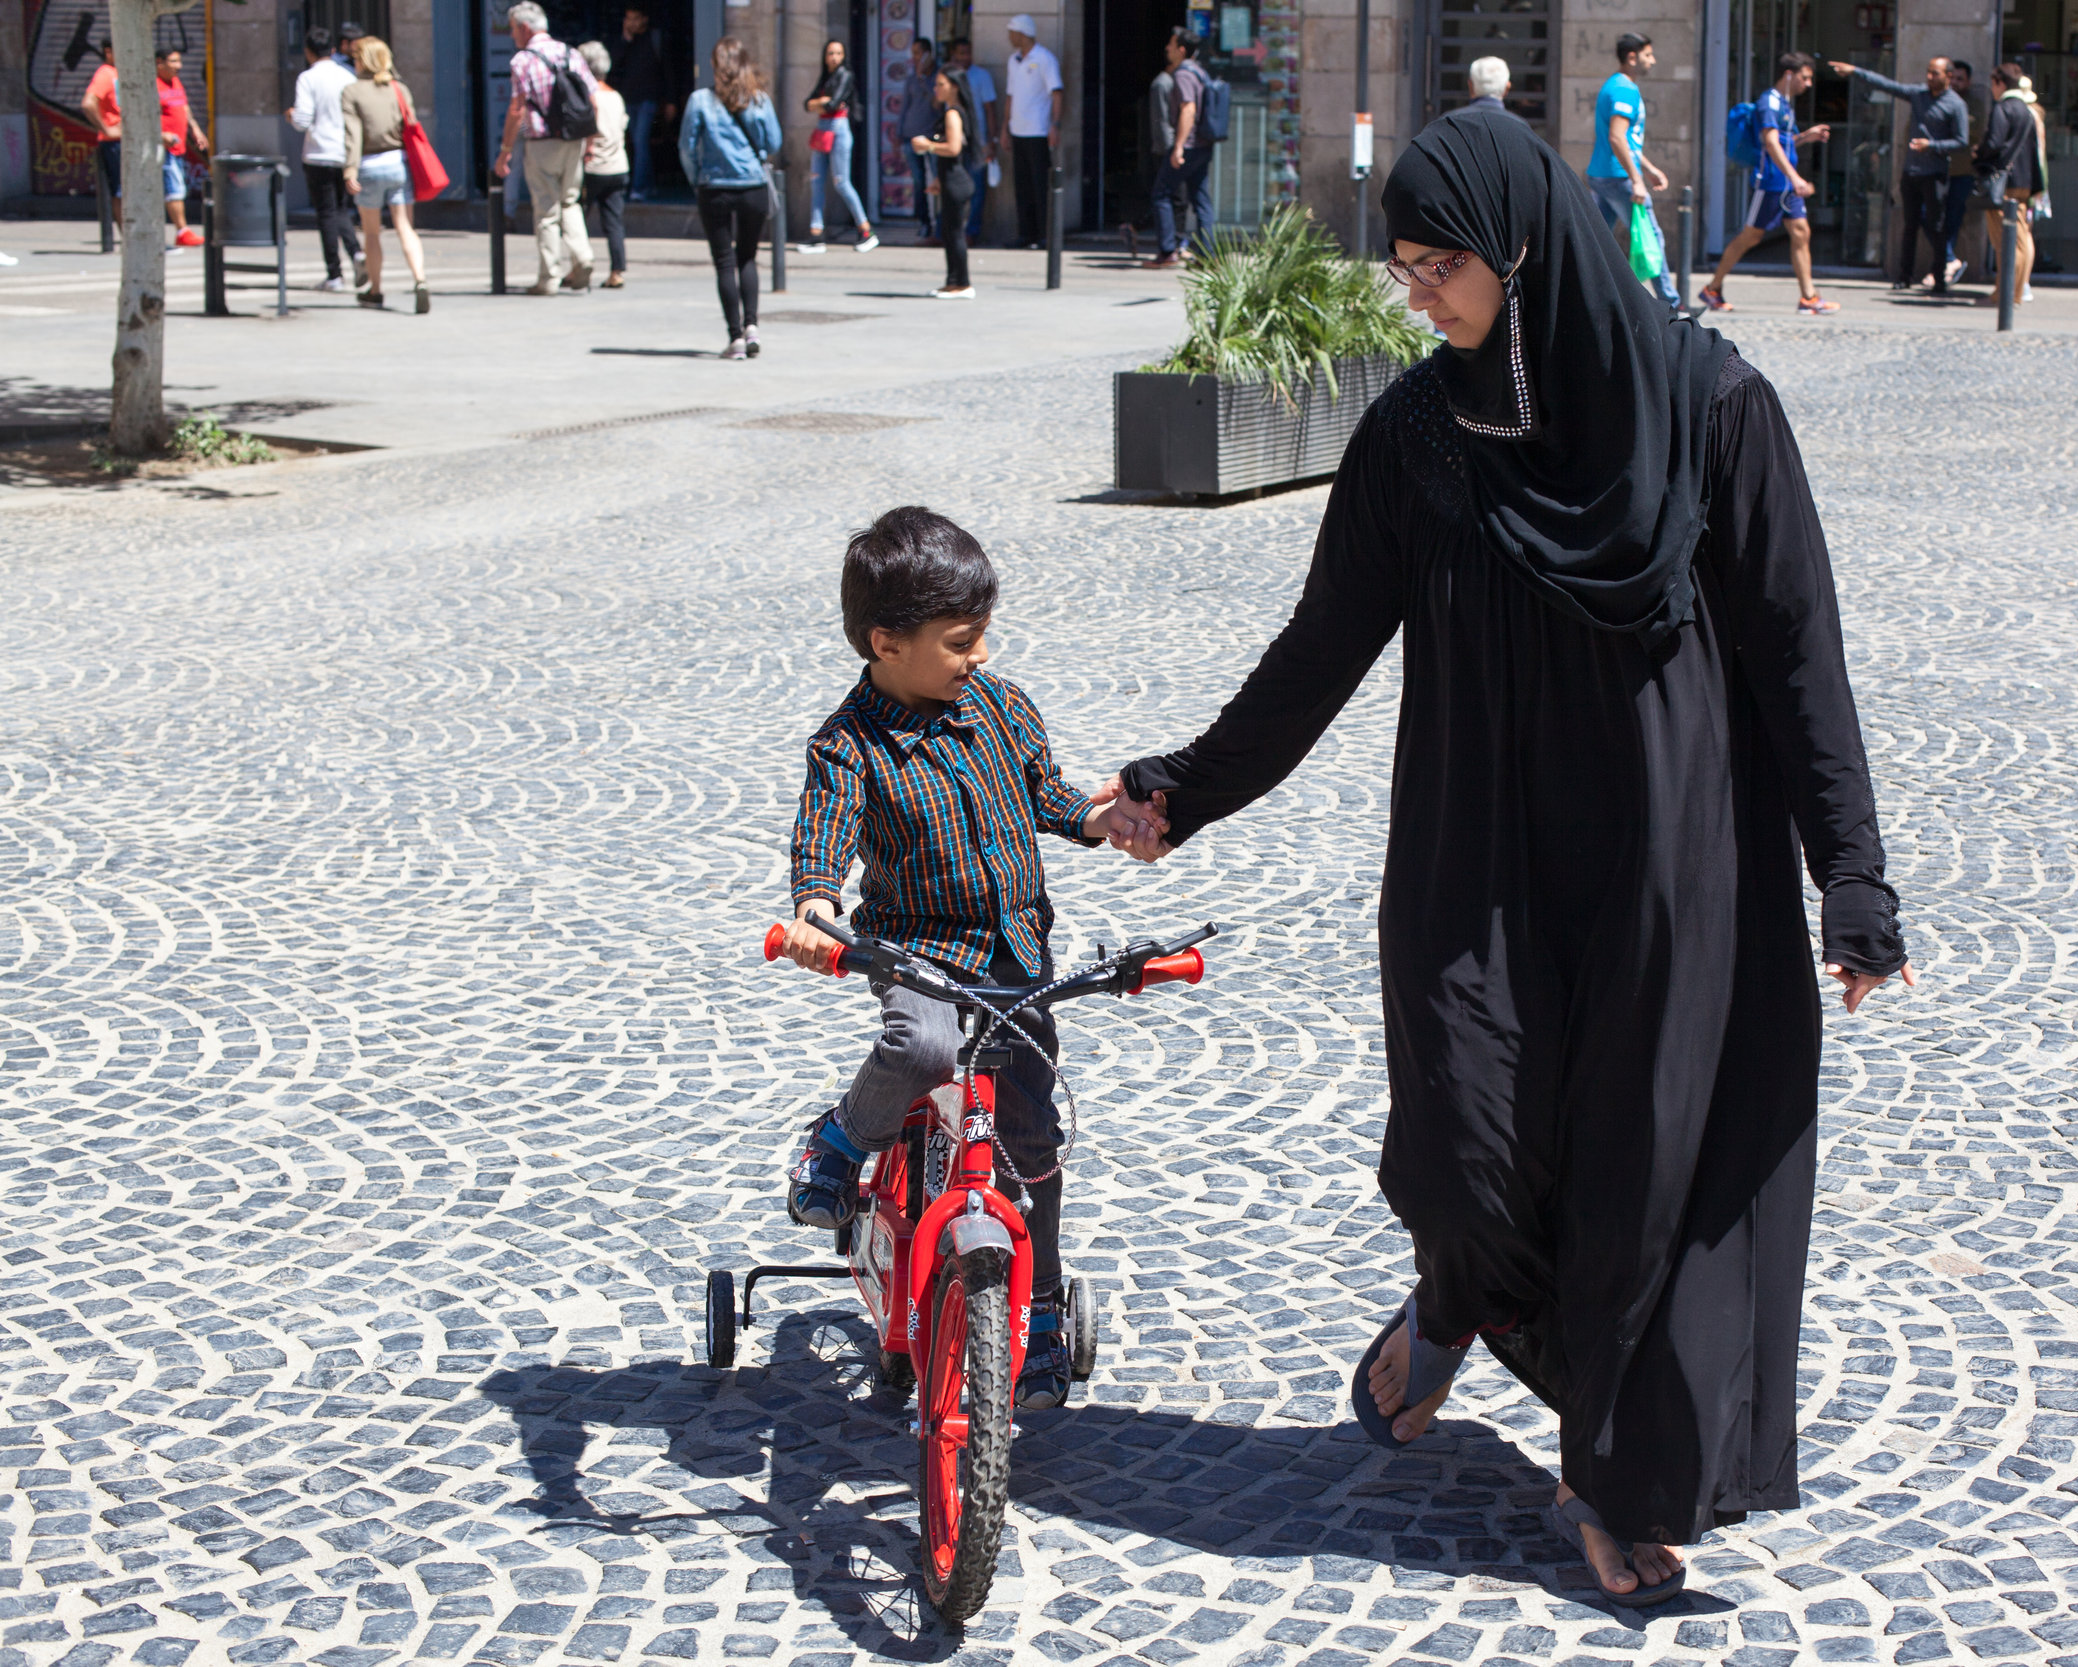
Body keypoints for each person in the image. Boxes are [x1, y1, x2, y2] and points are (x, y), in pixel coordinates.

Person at [1094, 106, 1911, 1604]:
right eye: (1400, 266)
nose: (1418, 293)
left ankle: (1617, 1478)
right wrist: (1183, 787)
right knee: (1470, 1146)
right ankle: (1459, 1293)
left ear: (1523, 245)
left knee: (1643, 1177)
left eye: (1439, 264)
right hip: (1475, 855)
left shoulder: (1713, 407)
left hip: (1676, 861)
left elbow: (1801, 653)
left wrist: (1849, 875)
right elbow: (1325, 641)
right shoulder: (1417, 435)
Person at [777, 505, 1134, 1413]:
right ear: (885, 642)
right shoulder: (849, 742)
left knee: (1030, 1142)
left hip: (1015, 951)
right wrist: (816, 907)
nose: (977, 656)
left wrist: (1097, 818)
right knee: (926, 1048)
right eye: (960, 641)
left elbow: (1050, 795)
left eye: (982, 637)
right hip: (919, 949)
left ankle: (1041, 1312)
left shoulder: (1000, 704)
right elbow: (825, 833)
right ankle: (841, 1140)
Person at [1697, 52, 1837, 315]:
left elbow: (1783, 143)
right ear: (1789, 75)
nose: (1808, 84)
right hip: (1772, 183)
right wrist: (1796, 178)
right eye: (1805, 78)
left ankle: (1808, 298)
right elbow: (1770, 144)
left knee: (1801, 232)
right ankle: (1712, 289)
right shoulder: (1768, 103)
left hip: (1785, 184)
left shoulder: (1783, 104)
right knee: (1750, 236)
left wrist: (1807, 136)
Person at [679, 35, 782, 359]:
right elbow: (775, 141)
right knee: (748, 257)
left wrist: (697, 176)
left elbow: (686, 146)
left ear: (714, 65)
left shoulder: (700, 100)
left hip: (715, 187)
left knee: (724, 262)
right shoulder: (759, 99)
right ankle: (752, 326)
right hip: (752, 186)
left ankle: (735, 337)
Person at [1829, 55, 1967, 294]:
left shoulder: (1955, 104)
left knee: (1937, 225)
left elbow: (1961, 140)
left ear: (1948, 76)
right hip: (1911, 170)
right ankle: (1904, 276)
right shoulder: (1919, 95)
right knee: (1909, 225)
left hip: (1935, 173)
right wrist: (1855, 71)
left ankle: (1940, 277)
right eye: (1928, 72)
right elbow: (1888, 85)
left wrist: (1932, 146)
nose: (1929, 77)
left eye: (1935, 73)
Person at [496, 1, 598, 295]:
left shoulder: (522, 60)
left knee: (546, 209)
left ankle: (549, 277)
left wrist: (505, 150)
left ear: (525, 28)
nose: (512, 35)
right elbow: (592, 102)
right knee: (570, 201)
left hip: (541, 142)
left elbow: (517, 109)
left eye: (513, 28)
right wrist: (590, 142)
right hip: (573, 140)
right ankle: (583, 257)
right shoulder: (571, 53)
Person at [1584, 33, 1675, 305]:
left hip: (1603, 175)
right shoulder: (1625, 90)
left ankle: (1587, 295)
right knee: (1651, 238)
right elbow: (1617, 136)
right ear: (1632, 57)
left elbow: (1628, 141)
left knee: (1595, 241)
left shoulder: (1615, 84)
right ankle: (1671, 303)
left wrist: (1647, 168)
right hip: (1618, 177)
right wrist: (1637, 180)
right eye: (1648, 55)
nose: (1653, 60)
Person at [340, 37, 430, 311]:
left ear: (363, 61)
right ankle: (420, 279)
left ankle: (376, 290)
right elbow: (411, 124)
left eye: (356, 58)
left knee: (371, 233)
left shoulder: (352, 92)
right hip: (398, 164)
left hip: (369, 165)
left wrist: (349, 169)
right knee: (405, 226)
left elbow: (353, 135)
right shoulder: (399, 89)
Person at [289, 29, 365, 290]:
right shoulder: (347, 76)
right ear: (333, 50)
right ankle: (356, 252)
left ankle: (335, 275)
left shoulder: (307, 78)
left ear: (309, 52)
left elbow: (302, 120)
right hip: (345, 152)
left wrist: (291, 115)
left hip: (318, 153)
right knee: (341, 209)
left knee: (325, 213)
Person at [1144, 29, 1213, 269]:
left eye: (1171, 45)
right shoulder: (1200, 71)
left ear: (1182, 50)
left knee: (1161, 194)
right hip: (1203, 144)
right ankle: (1209, 255)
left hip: (1190, 145)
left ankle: (1167, 251)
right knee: (1201, 200)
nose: (1167, 49)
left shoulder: (1183, 74)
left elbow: (1188, 109)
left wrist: (1179, 146)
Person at [1975, 62, 2041, 307]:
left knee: (2005, 242)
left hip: (2003, 182)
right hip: (2023, 181)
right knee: (2020, 240)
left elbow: (1993, 143)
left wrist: (1978, 154)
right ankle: (2014, 294)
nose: (1992, 89)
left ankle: (2002, 295)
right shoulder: (2026, 110)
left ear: (2000, 83)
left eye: (1993, 84)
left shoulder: (2003, 108)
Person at [805, 39, 876, 251]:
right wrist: (819, 103)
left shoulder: (845, 75)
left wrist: (818, 104)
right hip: (822, 129)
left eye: (838, 53)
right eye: (830, 53)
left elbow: (833, 103)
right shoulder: (825, 76)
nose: (834, 57)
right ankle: (816, 234)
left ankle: (866, 230)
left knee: (841, 182)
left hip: (838, 128)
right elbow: (807, 103)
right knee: (816, 180)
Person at [913, 66, 976, 298]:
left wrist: (926, 146)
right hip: (951, 180)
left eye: (941, 85)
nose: (936, 89)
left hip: (957, 182)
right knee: (949, 232)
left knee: (955, 232)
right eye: (936, 84)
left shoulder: (953, 114)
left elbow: (953, 148)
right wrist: (939, 179)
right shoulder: (953, 112)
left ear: (954, 87)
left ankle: (963, 283)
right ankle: (952, 281)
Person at [1002, 14, 1062, 250]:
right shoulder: (1013, 60)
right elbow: (1010, 96)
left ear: (1022, 33)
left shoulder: (1045, 59)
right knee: (1022, 185)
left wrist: (1055, 125)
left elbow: (1057, 92)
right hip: (1018, 130)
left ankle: (1044, 234)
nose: (1009, 37)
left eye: (1012, 32)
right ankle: (1025, 233)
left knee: (1040, 185)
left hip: (1038, 131)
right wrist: (1005, 128)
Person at [579, 41, 631, 287]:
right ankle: (617, 271)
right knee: (614, 221)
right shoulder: (616, 97)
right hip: (618, 166)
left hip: (592, 168)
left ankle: (577, 267)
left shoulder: (588, 98)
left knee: (577, 219)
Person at [611, 6, 672, 199]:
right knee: (635, 143)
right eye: (628, 19)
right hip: (628, 100)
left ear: (644, 19)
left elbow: (669, 71)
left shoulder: (655, 39)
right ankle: (649, 185)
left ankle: (638, 188)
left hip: (648, 99)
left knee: (640, 141)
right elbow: (613, 66)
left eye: (635, 18)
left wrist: (671, 100)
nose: (632, 23)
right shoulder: (624, 41)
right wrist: (626, 40)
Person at [154, 48, 209, 247]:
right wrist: (160, 135)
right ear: (159, 62)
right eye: (174, 61)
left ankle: (180, 230)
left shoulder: (175, 82)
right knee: (174, 189)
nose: (179, 66)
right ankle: (182, 231)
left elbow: (184, 108)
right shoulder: (153, 86)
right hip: (163, 148)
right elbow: (143, 117)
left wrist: (195, 129)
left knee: (176, 187)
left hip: (178, 147)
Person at [947, 39, 999, 243]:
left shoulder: (981, 76)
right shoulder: (949, 77)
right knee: (951, 188)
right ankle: (947, 231)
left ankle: (971, 231)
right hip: (954, 140)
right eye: (960, 54)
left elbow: (990, 109)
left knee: (976, 188)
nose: (964, 58)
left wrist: (991, 140)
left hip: (977, 141)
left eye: (967, 53)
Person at [1940, 61, 1977, 284]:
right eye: (1952, 77)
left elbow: (1975, 130)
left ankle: (1945, 262)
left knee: (1953, 219)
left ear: (1968, 82)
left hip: (1962, 170)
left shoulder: (1975, 103)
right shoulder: (1938, 98)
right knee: (1929, 215)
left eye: (1960, 79)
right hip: (1936, 169)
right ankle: (1947, 259)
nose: (1955, 83)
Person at [81, 42, 122, 234]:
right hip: (115, 143)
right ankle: (131, 241)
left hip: (126, 141)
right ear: (108, 52)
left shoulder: (121, 72)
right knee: (123, 193)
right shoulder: (106, 73)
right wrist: (107, 129)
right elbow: (88, 104)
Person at [900, 39, 937, 240]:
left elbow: (936, 103)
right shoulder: (910, 79)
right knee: (919, 182)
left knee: (937, 180)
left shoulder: (937, 78)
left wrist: (924, 78)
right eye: (913, 53)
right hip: (910, 137)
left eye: (919, 53)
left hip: (932, 137)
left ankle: (939, 223)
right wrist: (899, 133)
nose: (915, 58)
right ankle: (924, 222)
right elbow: (904, 108)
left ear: (928, 54)